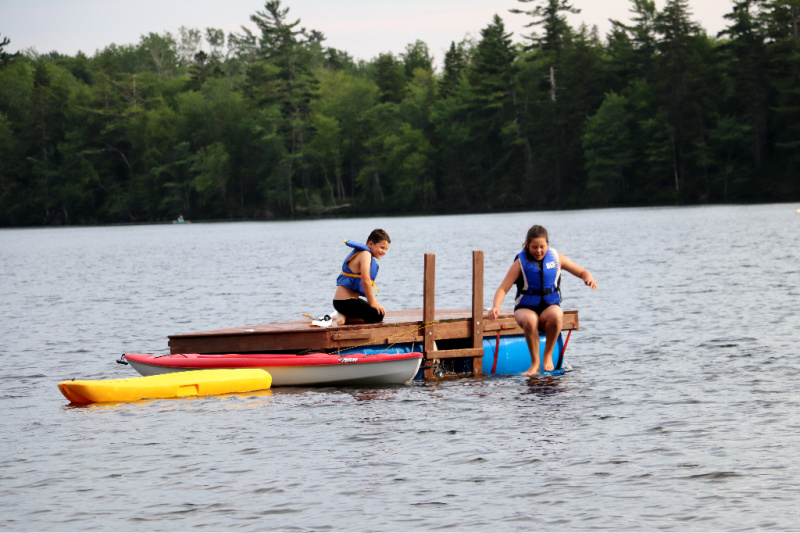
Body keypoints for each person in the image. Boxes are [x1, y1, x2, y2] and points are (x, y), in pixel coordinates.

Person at [488, 225, 597, 376]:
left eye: (542, 247)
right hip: (525, 309)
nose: (538, 251)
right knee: (531, 319)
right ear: (527, 245)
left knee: (557, 314)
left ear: (547, 245)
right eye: (534, 247)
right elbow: (503, 288)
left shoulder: (556, 258)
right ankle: (535, 363)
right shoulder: (520, 263)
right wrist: (495, 306)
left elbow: (582, 271)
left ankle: (547, 355)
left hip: (548, 308)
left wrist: (588, 278)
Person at [333, 229, 391, 324]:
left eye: (386, 249)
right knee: (377, 315)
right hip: (344, 302)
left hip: (346, 301)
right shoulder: (365, 254)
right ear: (371, 244)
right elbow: (365, 280)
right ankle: (346, 317)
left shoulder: (363, 253)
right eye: (381, 247)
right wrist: (372, 302)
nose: (384, 251)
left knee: (378, 312)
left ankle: (345, 315)